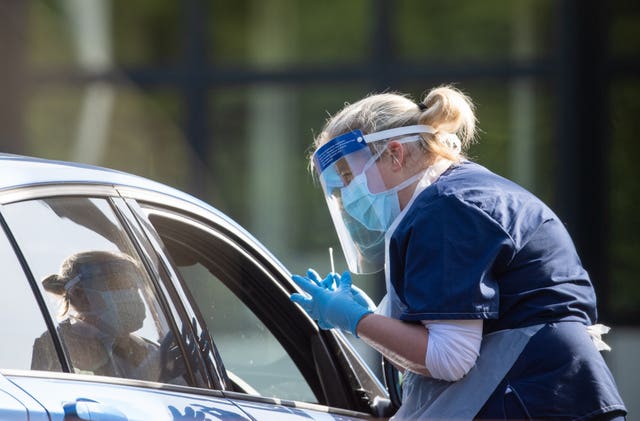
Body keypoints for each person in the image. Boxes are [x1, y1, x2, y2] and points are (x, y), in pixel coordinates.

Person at [290, 85, 627, 420]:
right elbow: (440, 352)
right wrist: (372, 320)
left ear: (395, 154)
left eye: (349, 176)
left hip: (538, 400)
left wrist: (356, 320)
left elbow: (449, 359)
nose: (345, 196)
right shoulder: (456, 194)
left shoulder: (446, 209)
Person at [32, 250, 172, 381]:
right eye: (116, 284)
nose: (130, 292)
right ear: (81, 294)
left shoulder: (146, 349)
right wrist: (144, 378)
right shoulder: (56, 346)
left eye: (132, 285)